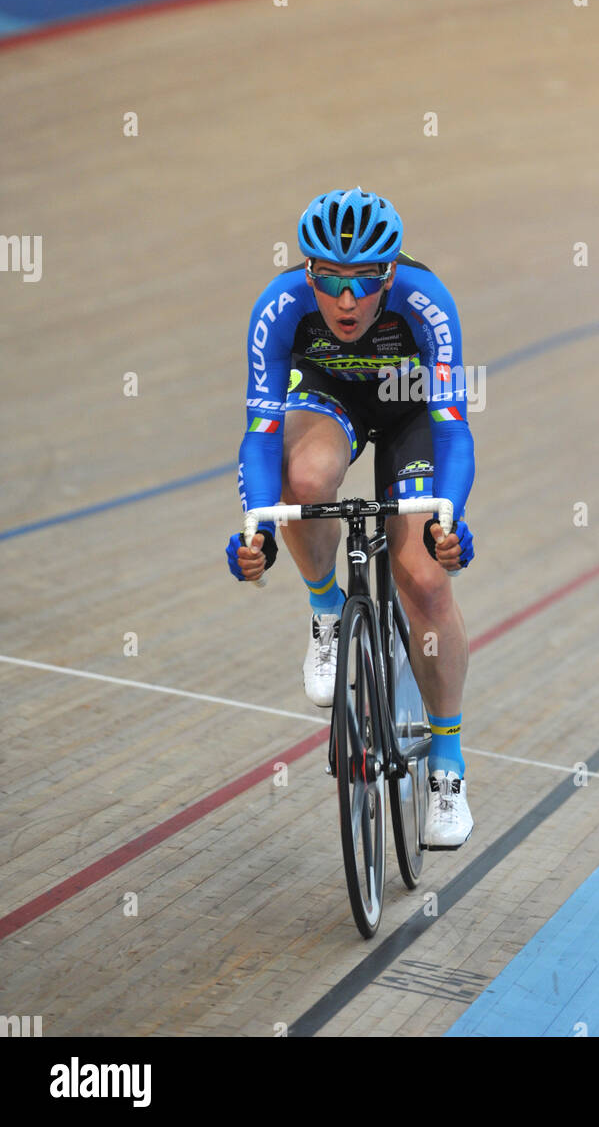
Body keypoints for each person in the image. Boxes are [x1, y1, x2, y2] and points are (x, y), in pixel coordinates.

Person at [225, 188, 476, 848]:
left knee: (422, 580)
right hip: (327, 397)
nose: (344, 300)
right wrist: (255, 526)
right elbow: (259, 433)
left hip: (406, 409)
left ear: (387, 275)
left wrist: (448, 517)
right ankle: (327, 610)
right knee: (302, 479)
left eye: (362, 282)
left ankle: (447, 767)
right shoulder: (279, 308)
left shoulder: (427, 301)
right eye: (329, 280)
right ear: (308, 273)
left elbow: (452, 429)